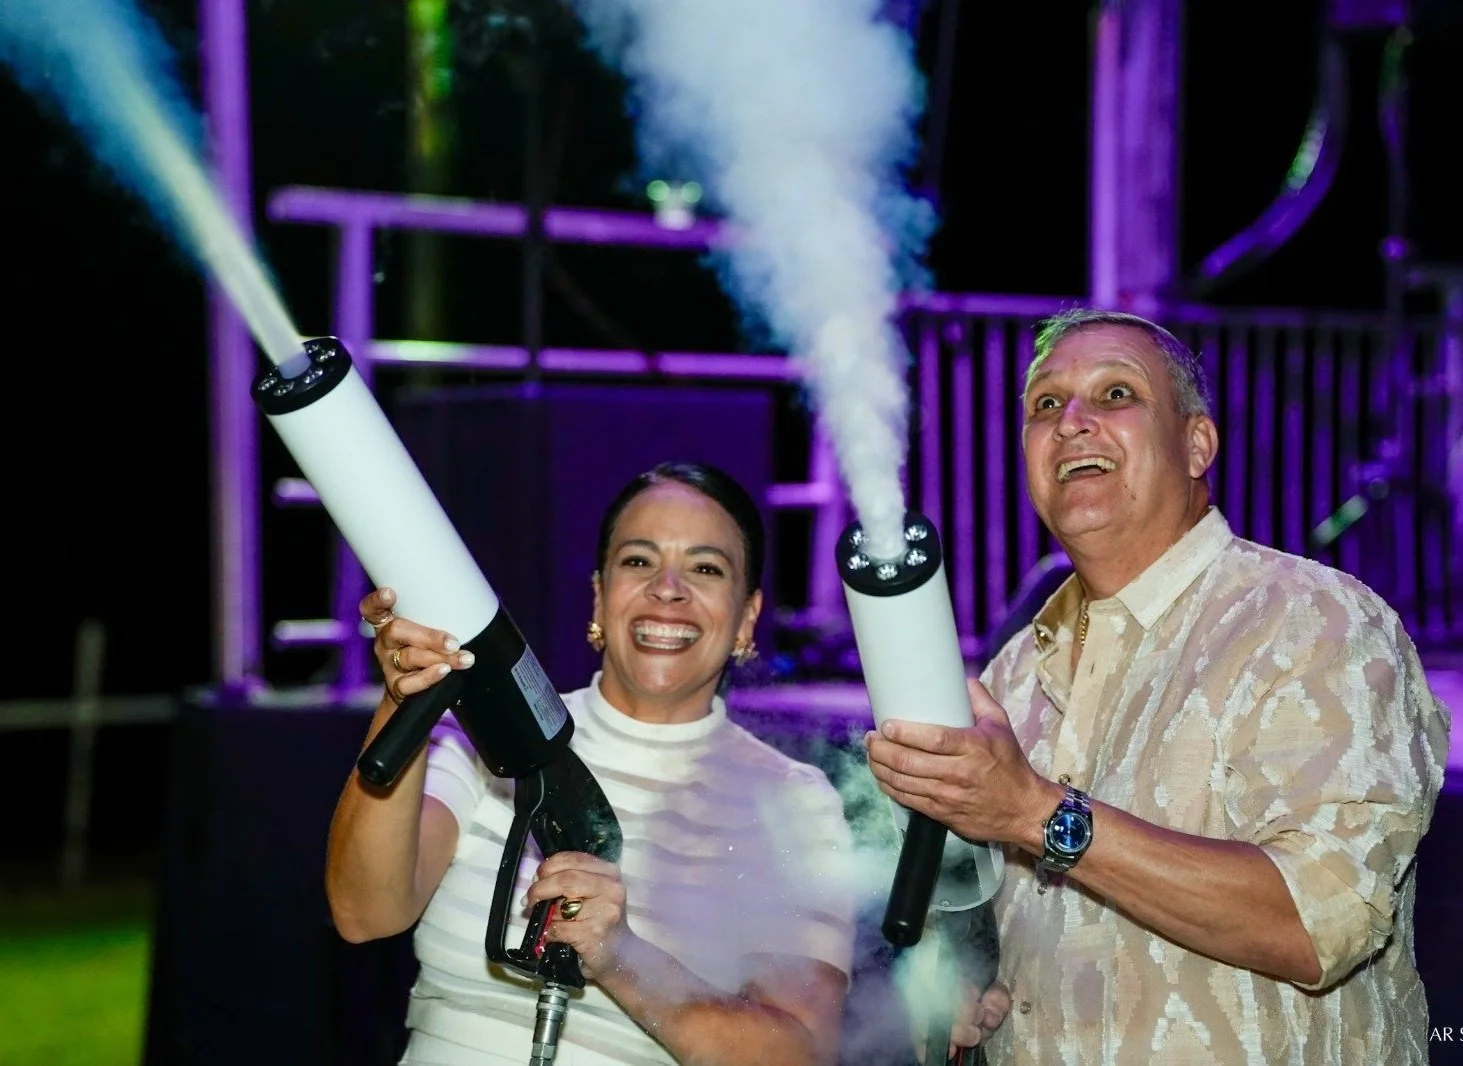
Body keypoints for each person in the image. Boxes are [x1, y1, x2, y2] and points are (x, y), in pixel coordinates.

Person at [866, 309, 1451, 1064]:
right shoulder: (1011, 672)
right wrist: (959, 986)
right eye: (1046, 404)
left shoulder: (1312, 620)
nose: (1071, 422)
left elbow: (1322, 921)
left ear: (1195, 443)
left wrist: (1034, 812)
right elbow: (997, 930)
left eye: (1115, 395)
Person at [327, 462, 855, 1066]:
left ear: (747, 618)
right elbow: (363, 912)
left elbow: (799, 1054)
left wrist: (622, 957)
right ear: (600, 595)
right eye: (638, 561)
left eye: (706, 568)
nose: (668, 588)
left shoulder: (788, 801)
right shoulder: (489, 731)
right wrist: (401, 702)